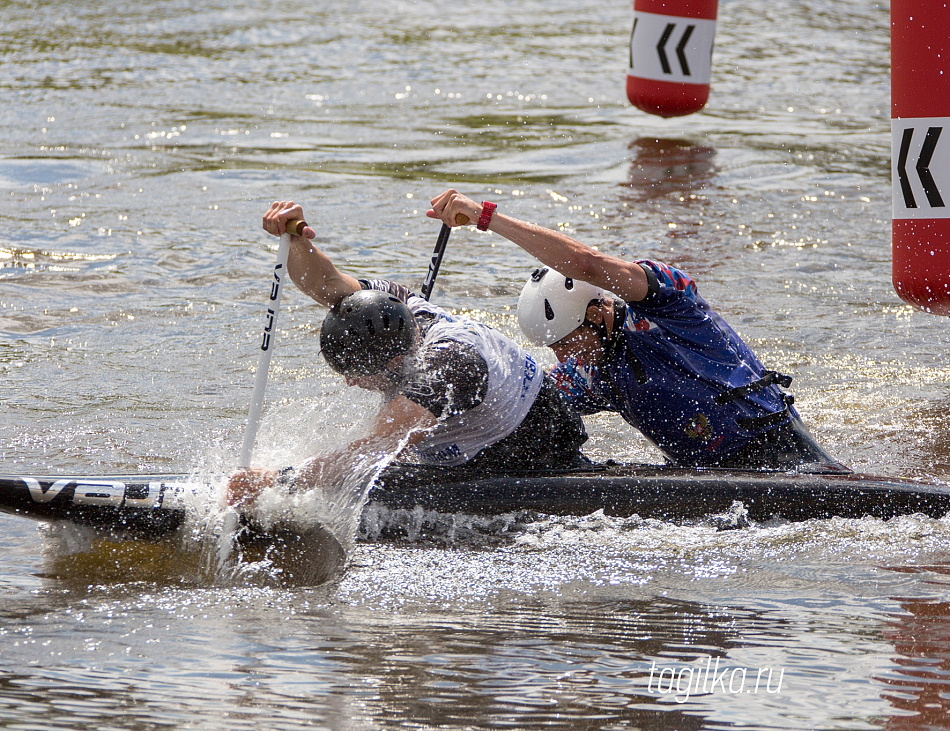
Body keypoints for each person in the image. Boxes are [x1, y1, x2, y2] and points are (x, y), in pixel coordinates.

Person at [427, 189, 847, 472]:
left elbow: (588, 264)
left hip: (787, 458)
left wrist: (488, 218)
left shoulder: (671, 306)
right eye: (554, 348)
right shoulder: (593, 377)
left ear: (596, 312)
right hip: (711, 480)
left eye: (567, 343)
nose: (563, 358)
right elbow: (517, 395)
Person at [227, 201, 588, 507]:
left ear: (396, 362)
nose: (351, 383)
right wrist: (294, 240)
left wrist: (275, 482)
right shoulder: (394, 305)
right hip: (475, 432)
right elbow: (327, 285)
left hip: (535, 451)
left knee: (372, 462)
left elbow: (372, 449)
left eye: (357, 374)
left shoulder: (445, 367)